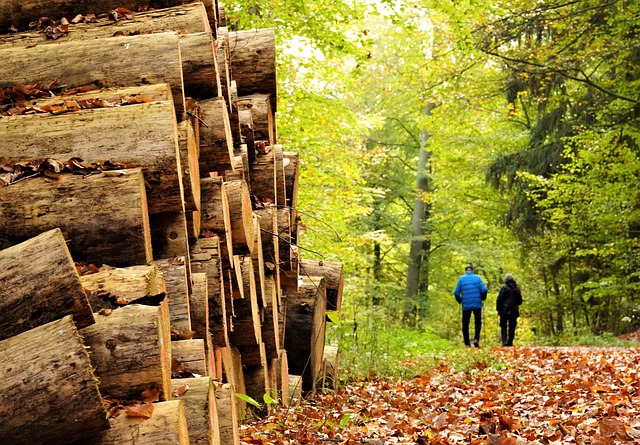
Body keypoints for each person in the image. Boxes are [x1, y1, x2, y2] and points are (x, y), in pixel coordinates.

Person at [453, 265, 488, 347]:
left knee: (465, 323)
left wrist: (460, 300)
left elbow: (456, 292)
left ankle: (467, 343)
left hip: (466, 305)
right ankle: (476, 339)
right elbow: (484, 290)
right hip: (477, 304)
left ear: (466, 271)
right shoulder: (478, 278)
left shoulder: (461, 279)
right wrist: (483, 297)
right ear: (472, 270)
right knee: (478, 322)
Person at [496, 273, 523, 346]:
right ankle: (510, 342)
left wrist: (498, 309)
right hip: (514, 310)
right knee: (512, 326)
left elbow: (499, 299)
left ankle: (504, 341)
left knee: (503, 326)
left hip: (504, 310)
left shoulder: (504, 288)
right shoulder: (517, 288)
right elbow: (520, 301)